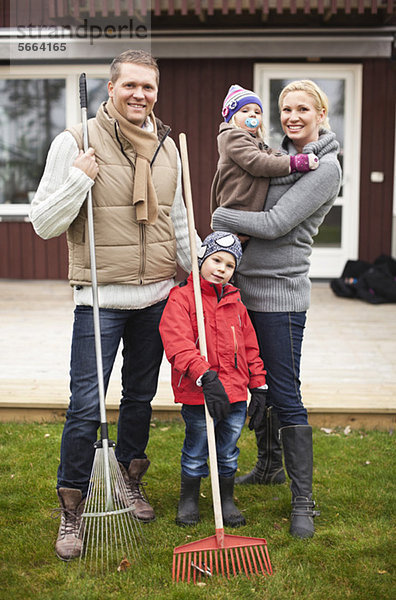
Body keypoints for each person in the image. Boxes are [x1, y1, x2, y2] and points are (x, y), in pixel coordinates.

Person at [30, 50, 195, 560]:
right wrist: (80, 178)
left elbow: (179, 220)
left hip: (157, 298)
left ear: (156, 92)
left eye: (149, 87)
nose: (140, 95)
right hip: (101, 299)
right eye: (131, 86)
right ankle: (72, 510)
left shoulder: (169, 148)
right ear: (111, 88)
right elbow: (43, 223)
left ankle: (129, 480)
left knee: (140, 399)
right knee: (85, 407)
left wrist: (197, 273)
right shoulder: (75, 141)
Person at [211, 80, 342, 539]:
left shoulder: (324, 169)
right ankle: (269, 466)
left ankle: (303, 501)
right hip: (242, 289)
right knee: (255, 385)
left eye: (303, 108)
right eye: (286, 108)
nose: (293, 116)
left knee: (285, 392)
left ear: (321, 114)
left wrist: (220, 217)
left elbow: (274, 223)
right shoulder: (267, 154)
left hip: (280, 297)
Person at [159, 232, 268, 528]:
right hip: (200, 393)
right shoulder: (182, 298)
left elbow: (249, 348)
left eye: (229, 265)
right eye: (216, 260)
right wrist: (205, 376)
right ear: (202, 259)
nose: (221, 268)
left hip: (234, 395)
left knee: (228, 450)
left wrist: (258, 385)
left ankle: (226, 499)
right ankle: (189, 498)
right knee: (196, 448)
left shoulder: (236, 304)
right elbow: (177, 344)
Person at [210, 84, 319, 215]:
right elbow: (257, 162)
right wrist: (294, 163)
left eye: (257, 112)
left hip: (246, 209)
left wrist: (290, 156)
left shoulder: (253, 140)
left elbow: (270, 153)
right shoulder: (233, 137)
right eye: (245, 111)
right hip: (236, 206)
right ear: (232, 118)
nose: (252, 115)